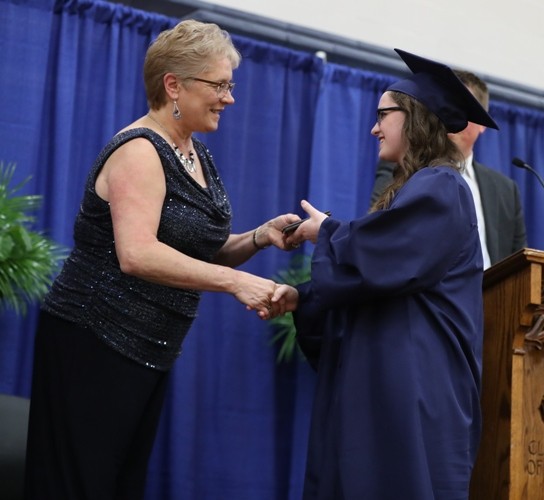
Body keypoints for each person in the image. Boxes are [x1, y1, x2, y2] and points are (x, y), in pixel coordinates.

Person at [24, 19, 298, 500]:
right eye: (219, 86)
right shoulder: (139, 150)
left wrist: (258, 237)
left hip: (149, 349)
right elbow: (138, 254)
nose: (229, 99)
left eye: (230, 86)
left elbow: (195, 250)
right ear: (174, 85)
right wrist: (235, 283)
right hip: (94, 339)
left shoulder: (196, 153)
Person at [269, 49, 499, 499]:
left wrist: (325, 230)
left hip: (417, 382)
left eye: (383, 115)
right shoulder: (416, 188)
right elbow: (380, 274)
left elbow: (387, 260)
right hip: (391, 375)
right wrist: (304, 298)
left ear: (415, 118)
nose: (374, 128)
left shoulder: (442, 186)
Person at [370, 70, 527, 269]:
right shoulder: (405, 165)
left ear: (481, 122)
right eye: (445, 108)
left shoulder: (506, 190)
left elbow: (520, 263)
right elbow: (377, 225)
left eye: (460, 111)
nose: (449, 118)